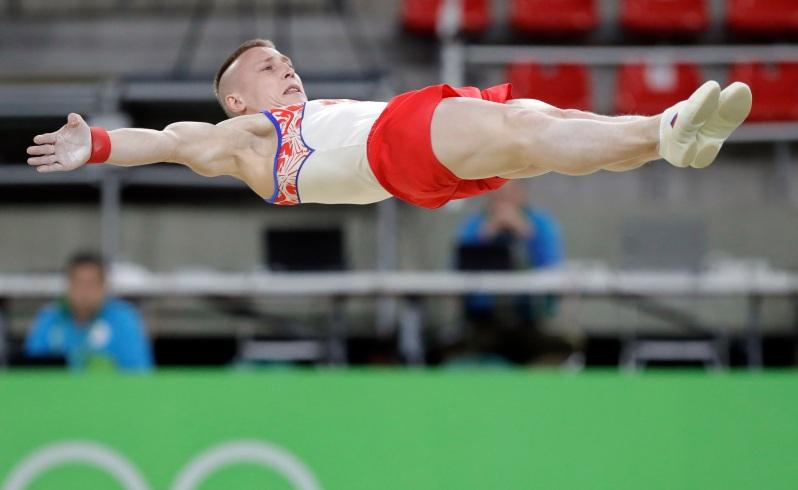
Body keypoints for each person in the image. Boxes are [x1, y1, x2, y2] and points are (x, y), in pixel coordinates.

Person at [26, 38, 752, 210]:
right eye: (265, 66)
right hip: (391, 145)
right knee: (532, 127)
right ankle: (664, 129)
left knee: (544, 134)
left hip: (406, 165)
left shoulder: (302, 115)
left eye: (285, 58)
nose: (285, 69)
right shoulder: (248, 138)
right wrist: (95, 144)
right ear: (238, 99)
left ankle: (667, 141)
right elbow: (174, 141)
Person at [451, 181, 567, 365]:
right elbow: (456, 271)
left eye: (510, 192)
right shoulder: (473, 226)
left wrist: (528, 235)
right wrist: (485, 236)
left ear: (523, 194)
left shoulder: (542, 224)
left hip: (530, 317)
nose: (504, 198)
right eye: (498, 192)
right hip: (483, 319)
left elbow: (553, 269)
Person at [24, 252, 154, 372]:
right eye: (79, 283)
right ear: (68, 285)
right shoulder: (49, 317)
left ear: (104, 286)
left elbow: (138, 371)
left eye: (92, 284)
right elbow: (29, 369)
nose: (85, 292)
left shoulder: (124, 319)